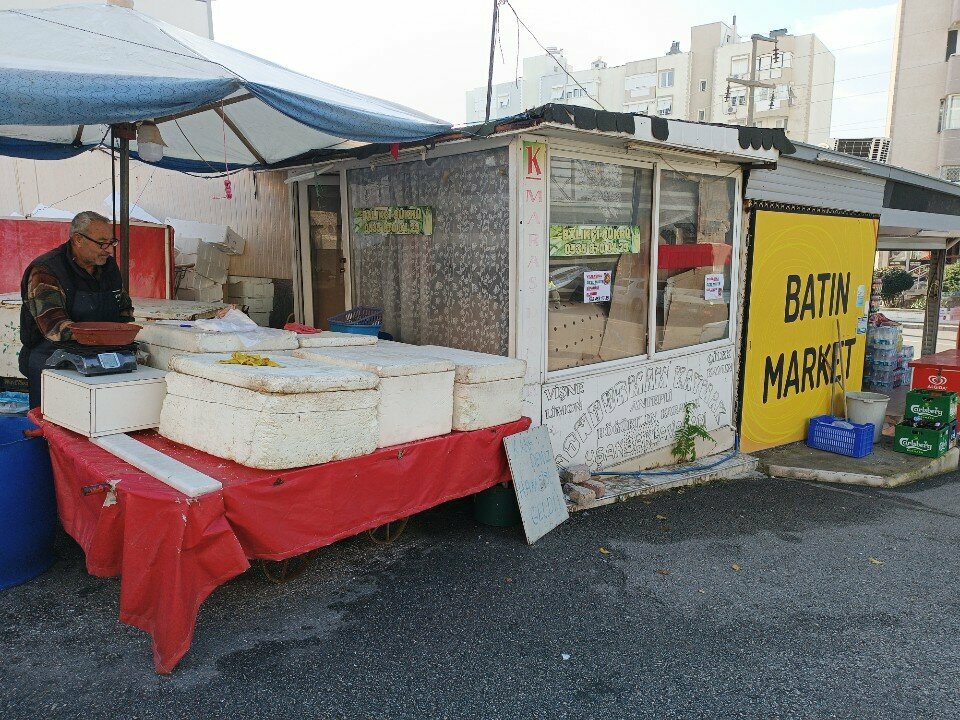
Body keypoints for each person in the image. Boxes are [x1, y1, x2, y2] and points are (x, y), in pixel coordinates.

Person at [19, 211, 134, 408]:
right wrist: (108, 336)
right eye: (101, 243)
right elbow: (55, 326)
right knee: (53, 427)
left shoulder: (108, 268)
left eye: (111, 242)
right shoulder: (46, 270)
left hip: (99, 357)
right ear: (78, 240)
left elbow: (123, 310)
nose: (108, 250)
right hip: (50, 360)